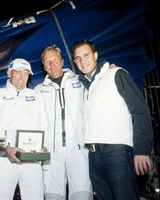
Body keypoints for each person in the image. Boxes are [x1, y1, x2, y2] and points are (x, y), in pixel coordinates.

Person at [71, 39, 153, 200]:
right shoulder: (84, 88)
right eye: (78, 58)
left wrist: (142, 149)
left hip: (117, 154)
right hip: (93, 157)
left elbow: (140, 111)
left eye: (86, 55)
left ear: (95, 55)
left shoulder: (116, 74)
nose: (82, 60)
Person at [34, 45, 93, 200]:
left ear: (62, 61)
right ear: (44, 67)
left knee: (82, 195)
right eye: (47, 62)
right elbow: (34, 121)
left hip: (78, 149)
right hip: (51, 153)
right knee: (53, 196)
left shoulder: (81, 82)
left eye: (54, 60)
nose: (52, 64)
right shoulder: (38, 90)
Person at [0, 58, 47, 200]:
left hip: (31, 159)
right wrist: (6, 149)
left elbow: (44, 125)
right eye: (18, 72)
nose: (22, 77)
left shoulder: (37, 96)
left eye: (26, 73)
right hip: (3, 159)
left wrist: (44, 146)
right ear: (9, 73)